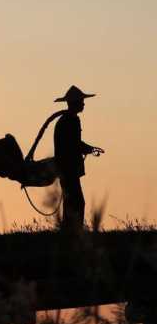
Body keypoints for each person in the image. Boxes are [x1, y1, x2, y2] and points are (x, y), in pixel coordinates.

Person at [53, 85, 104, 235]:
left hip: (64, 168)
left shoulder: (64, 120)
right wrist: (89, 148)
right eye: (81, 101)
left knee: (71, 201)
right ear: (74, 103)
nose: (83, 104)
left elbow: (72, 143)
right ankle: (74, 233)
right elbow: (74, 144)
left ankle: (69, 232)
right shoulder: (72, 120)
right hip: (69, 168)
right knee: (77, 202)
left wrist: (88, 148)